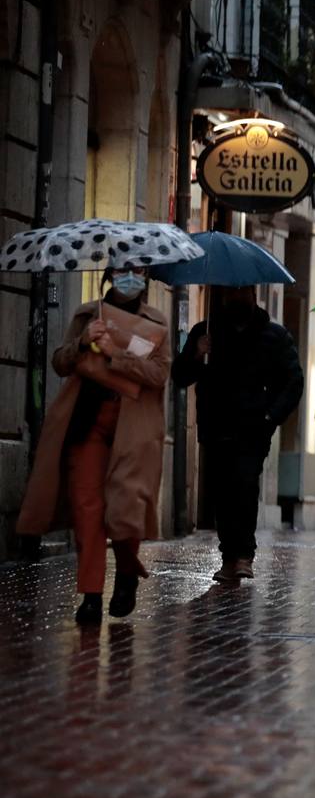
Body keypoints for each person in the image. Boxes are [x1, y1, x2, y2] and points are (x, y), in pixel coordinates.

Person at [17, 266, 171, 624]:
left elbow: (159, 375)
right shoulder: (88, 313)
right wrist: (83, 341)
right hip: (87, 425)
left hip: (132, 430)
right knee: (88, 510)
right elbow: (59, 362)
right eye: (122, 270)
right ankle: (90, 595)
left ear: (145, 278)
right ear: (109, 274)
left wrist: (116, 354)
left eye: (136, 271)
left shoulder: (157, 322)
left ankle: (127, 574)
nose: (129, 277)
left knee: (124, 510)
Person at [173, 285, 303, 583]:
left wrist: (271, 415)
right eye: (232, 293)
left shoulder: (275, 336)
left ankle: (244, 555)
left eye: (243, 292)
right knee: (222, 493)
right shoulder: (204, 330)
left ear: (253, 295)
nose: (237, 297)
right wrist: (195, 353)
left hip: (253, 428)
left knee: (244, 487)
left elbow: (293, 382)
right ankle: (229, 557)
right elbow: (180, 376)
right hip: (215, 424)